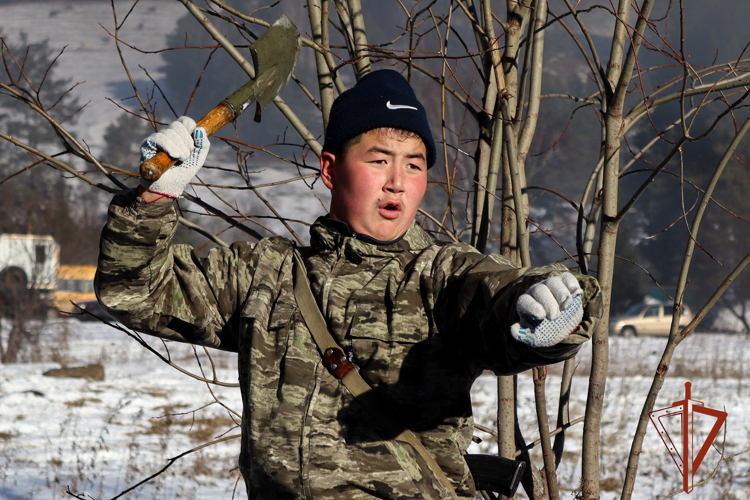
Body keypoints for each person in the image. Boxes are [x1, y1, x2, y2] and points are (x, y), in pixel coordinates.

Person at [96, 69, 602, 499]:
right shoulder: (265, 275)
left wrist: (549, 300)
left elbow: (497, 296)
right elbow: (137, 291)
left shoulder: (439, 275)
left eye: (415, 164)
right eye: (379, 160)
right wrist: (155, 202)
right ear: (330, 169)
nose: (397, 181)